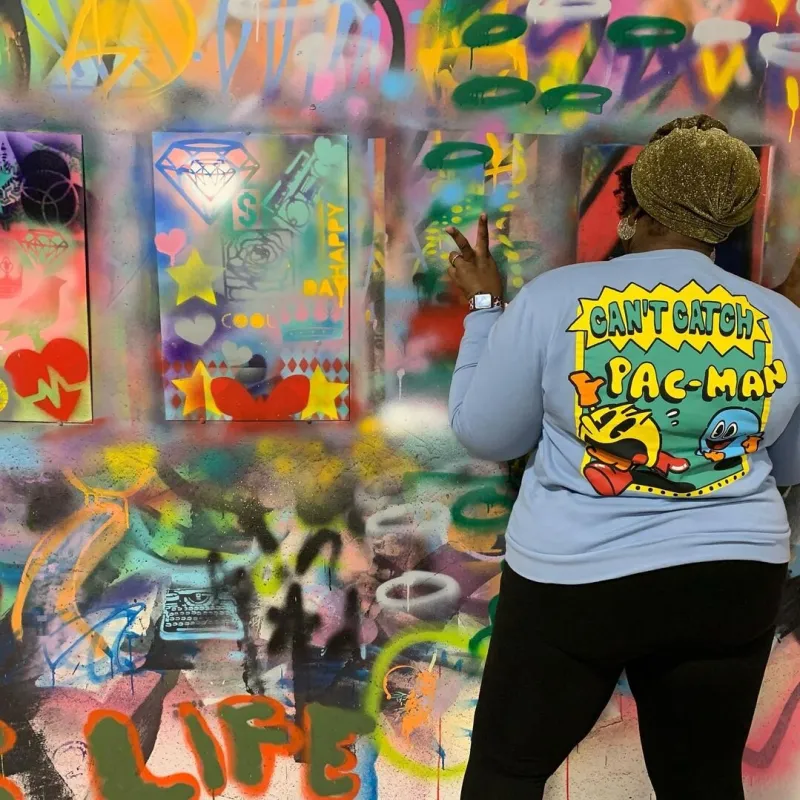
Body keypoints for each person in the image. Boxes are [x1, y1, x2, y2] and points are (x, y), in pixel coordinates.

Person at [447, 115, 800, 800]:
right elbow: (787, 467)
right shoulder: (782, 321)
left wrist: (486, 308)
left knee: (508, 771)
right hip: (732, 580)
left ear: (634, 199)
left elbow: (489, 436)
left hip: (578, 580)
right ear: (727, 221)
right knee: (701, 782)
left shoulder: (555, 298)